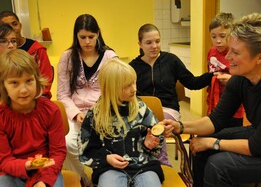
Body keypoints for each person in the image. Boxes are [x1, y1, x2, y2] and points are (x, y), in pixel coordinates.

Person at [162, 13, 261, 187]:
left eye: (235, 52)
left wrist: (213, 143)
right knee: (202, 142)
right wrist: (181, 127)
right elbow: (216, 120)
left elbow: (257, 147)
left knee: (219, 165)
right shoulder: (241, 79)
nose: (227, 58)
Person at [129, 23, 214, 166]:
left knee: (157, 124)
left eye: (157, 41)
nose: (154, 46)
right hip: (142, 111)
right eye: (149, 42)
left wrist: (213, 76)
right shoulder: (133, 67)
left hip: (168, 110)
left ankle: (162, 164)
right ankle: (141, 165)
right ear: (140, 44)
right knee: (138, 127)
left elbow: (192, 82)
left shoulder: (171, 60)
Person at [79, 58, 164, 187]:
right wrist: (106, 158)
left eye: (134, 83)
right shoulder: (96, 114)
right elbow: (85, 149)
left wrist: (149, 144)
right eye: (127, 86)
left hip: (144, 167)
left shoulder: (141, 108)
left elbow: (157, 138)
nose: (134, 89)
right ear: (111, 89)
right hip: (110, 169)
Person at [57, 14, 118, 185]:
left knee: (105, 145)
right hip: (76, 114)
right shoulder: (68, 57)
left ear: (98, 34)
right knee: (69, 144)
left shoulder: (110, 56)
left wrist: (99, 112)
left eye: (91, 37)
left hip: (104, 112)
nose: (87, 42)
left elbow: (115, 90)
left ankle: (100, 176)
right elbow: (62, 94)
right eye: (82, 37)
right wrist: (76, 114)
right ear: (76, 36)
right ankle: (84, 179)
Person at [0, 49, 66, 187]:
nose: (23, 90)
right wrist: (27, 165)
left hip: (46, 170)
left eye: (29, 81)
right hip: (11, 172)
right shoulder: (2, 116)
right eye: (14, 83)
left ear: (37, 80)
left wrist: (44, 181)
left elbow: (58, 153)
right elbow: (4, 160)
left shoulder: (50, 110)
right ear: (4, 86)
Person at [0, 11, 53, 99]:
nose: (12, 28)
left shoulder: (36, 50)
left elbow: (45, 81)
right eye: (3, 41)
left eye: (14, 24)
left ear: (20, 25)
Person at [207, 12, 244, 127]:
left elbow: (245, 79)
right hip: (214, 103)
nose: (218, 41)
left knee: (231, 138)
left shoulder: (237, 54)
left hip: (234, 106)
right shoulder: (211, 52)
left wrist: (231, 79)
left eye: (222, 36)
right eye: (214, 36)